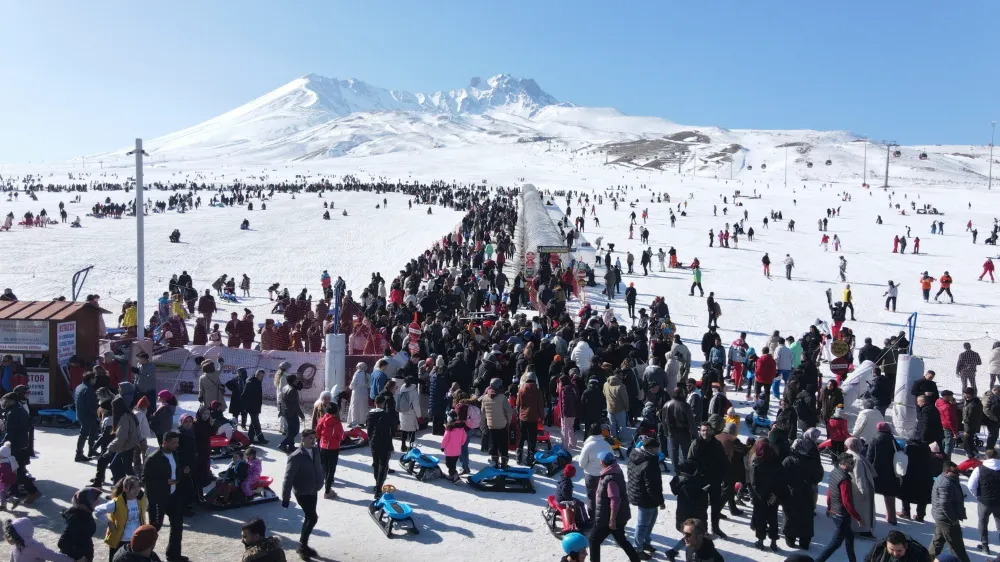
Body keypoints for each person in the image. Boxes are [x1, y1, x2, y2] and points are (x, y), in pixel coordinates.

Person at [141, 431, 187, 562]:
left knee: (177, 525)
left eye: (177, 442)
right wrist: (164, 482)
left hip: (173, 496)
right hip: (158, 499)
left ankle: (174, 555)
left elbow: (176, 470)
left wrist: (180, 476)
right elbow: (145, 480)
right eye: (174, 443)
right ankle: (146, 556)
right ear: (164, 442)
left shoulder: (175, 454)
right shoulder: (153, 458)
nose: (176, 445)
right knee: (154, 529)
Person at [588, 451, 640, 562]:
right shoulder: (615, 470)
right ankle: (636, 560)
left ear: (602, 462)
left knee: (594, 540)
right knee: (621, 540)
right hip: (617, 517)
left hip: (608, 518)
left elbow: (615, 500)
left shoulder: (610, 478)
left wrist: (612, 520)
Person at [280, 430, 323, 560]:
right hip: (302, 492)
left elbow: (318, 467)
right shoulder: (295, 456)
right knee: (312, 517)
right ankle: (302, 547)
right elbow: (288, 478)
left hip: (313, 490)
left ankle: (303, 545)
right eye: (310, 438)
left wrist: (321, 479)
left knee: (309, 517)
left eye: (314, 438)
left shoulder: (315, 451)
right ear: (302, 439)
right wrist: (285, 498)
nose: (313, 440)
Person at [815, 454, 863, 562]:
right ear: (843, 463)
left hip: (835, 513)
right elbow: (847, 502)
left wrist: (829, 507)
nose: (853, 465)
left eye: (853, 462)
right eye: (850, 463)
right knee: (835, 543)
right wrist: (857, 517)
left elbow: (829, 492)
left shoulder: (834, 472)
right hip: (842, 516)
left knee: (849, 537)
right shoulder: (845, 480)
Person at [627, 436, 664, 558]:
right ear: (648, 448)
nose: (657, 451)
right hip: (646, 498)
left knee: (650, 520)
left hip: (638, 493)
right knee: (643, 524)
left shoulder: (635, 454)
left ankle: (645, 542)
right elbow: (652, 486)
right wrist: (660, 501)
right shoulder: (649, 462)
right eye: (656, 449)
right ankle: (638, 549)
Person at [96, 476, 147, 561]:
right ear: (125, 489)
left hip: (136, 539)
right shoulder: (116, 503)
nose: (137, 489)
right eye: (133, 487)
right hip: (120, 541)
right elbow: (97, 511)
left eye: (138, 486)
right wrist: (109, 522)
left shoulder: (143, 499)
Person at [929, 461, 970, 562]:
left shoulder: (947, 479)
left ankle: (928, 558)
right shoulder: (945, 484)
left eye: (957, 471)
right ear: (946, 472)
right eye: (955, 472)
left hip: (941, 517)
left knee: (938, 540)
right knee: (957, 546)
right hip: (946, 519)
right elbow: (945, 505)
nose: (957, 473)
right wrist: (953, 520)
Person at [749, 440, 782, 551]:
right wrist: (773, 497)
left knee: (761, 520)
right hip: (773, 498)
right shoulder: (776, 463)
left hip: (760, 499)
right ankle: (773, 542)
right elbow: (780, 482)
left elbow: (754, 484)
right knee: (773, 520)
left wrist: (764, 497)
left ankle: (760, 541)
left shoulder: (756, 465)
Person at [866, 422, 900, 527]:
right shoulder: (892, 440)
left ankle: (869, 514)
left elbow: (869, 457)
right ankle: (892, 518)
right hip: (890, 471)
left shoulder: (874, 439)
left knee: (870, 493)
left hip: (876, 471)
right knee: (889, 495)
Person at [969, 448, 1000, 554]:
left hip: (984, 501)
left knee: (983, 522)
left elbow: (971, 485)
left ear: (985, 457)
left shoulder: (979, 468)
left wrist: (977, 496)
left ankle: (985, 546)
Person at [58, 487, 101, 562]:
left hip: (85, 552)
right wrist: (78, 557)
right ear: (85, 502)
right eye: (94, 500)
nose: (98, 502)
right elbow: (62, 543)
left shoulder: (84, 512)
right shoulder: (77, 519)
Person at [845, 438, 877, 539]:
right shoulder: (857, 459)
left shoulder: (849, 454)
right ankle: (863, 530)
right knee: (863, 511)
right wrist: (863, 492)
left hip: (853, 489)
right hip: (859, 491)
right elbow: (859, 477)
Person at [580, 424, 613, 518]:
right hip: (605, 475)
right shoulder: (606, 444)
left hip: (590, 475)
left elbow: (581, 463)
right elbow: (612, 459)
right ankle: (605, 517)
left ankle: (593, 518)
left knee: (591, 498)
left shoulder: (588, 445)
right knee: (604, 497)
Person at [366, 394, 395, 497]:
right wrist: (391, 447)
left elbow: (368, 430)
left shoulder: (369, 414)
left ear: (375, 403)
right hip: (383, 443)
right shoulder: (385, 415)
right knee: (383, 465)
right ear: (383, 403)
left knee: (376, 464)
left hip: (373, 443)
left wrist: (370, 441)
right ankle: (379, 488)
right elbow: (388, 433)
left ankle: (377, 484)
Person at [481, 378, 514, 469]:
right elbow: (509, 412)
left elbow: (483, 411)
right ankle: (504, 463)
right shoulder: (503, 398)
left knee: (493, 443)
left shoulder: (485, 397)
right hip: (502, 424)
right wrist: (508, 421)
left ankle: (495, 462)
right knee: (503, 444)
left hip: (491, 425)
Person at [314, 402, 344, 499]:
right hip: (333, 448)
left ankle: (327, 485)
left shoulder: (322, 420)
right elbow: (341, 436)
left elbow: (317, 433)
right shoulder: (337, 423)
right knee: (331, 470)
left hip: (322, 446)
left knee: (324, 467)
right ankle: (327, 491)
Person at [516, 373, 544, 465]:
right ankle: (530, 456)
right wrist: (542, 416)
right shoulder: (538, 391)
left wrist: (518, 413)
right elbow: (540, 405)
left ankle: (519, 455)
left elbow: (518, 404)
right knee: (532, 438)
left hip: (523, 417)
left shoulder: (521, 390)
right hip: (533, 417)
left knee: (521, 436)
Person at [75, 372, 99, 463]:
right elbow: (91, 405)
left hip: (81, 413)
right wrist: (98, 415)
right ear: (91, 379)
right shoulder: (88, 389)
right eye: (95, 378)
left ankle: (91, 450)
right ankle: (79, 454)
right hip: (87, 415)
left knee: (94, 430)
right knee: (84, 434)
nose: (95, 380)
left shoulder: (79, 387)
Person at [863, 530, 931, 562]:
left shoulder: (919, 555)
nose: (895, 554)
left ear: (906, 546)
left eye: (899, 550)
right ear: (886, 544)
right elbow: (868, 560)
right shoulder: (879, 547)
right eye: (891, 549)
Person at [278, 375, 305, 454]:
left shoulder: (285, 387)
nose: (297, 381)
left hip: (285, 411)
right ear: (292, 381)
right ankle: (282, 444)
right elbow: (295, 406)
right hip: (291, 412)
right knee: (295, 431)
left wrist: (281, 411)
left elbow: (282, 401)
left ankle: (291, 446)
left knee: (290, 430)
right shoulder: (293, 390)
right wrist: (301, 415)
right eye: (296, 380)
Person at [243, 369, 266, 444]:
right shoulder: (252, 382)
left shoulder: (257, 381)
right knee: (256, 423)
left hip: (256, 406)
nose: (262, 378)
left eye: (263, 376)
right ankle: (261, 439)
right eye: (261, 376)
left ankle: (251, 438)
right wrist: (246, 405)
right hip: (252, 407)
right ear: (257, 375)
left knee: (253, 423)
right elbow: (243, 395)